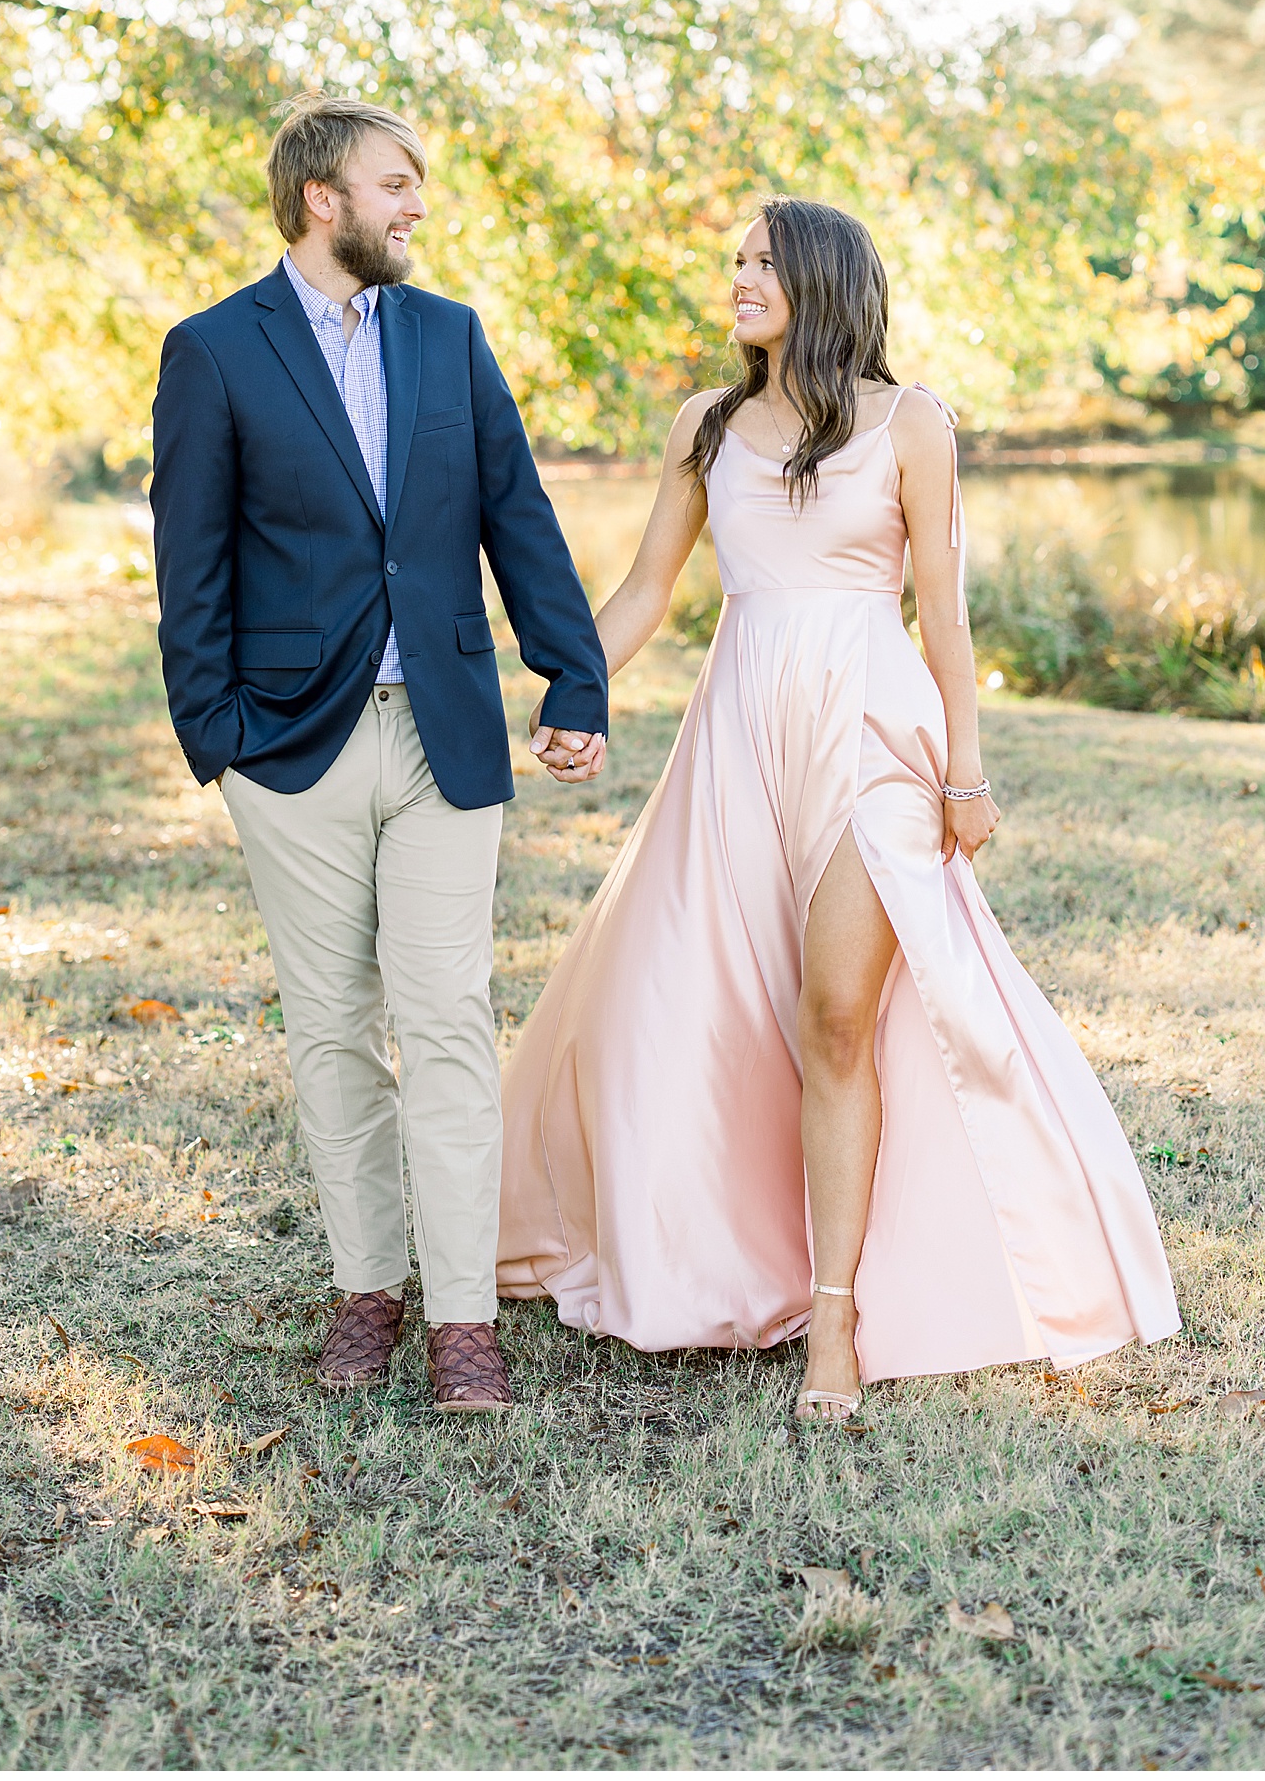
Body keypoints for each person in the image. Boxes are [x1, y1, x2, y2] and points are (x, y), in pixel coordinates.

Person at [497, 197, 1179, 1417]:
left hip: (872, 730)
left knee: (837, 1016)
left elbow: (944, 614)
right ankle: (733, 1254)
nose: (739, 277)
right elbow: (648, 585)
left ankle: (838, 1315)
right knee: (700, 1005)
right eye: (736, 260)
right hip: (739, 734)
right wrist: (575, 689)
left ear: (821, 278)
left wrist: (965, 769)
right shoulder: (705, 426)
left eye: (763, 261)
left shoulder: (912, 422)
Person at [151, 96, 608, 1412]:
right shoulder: (215, 349)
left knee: (448, 1016)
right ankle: (369, 1286)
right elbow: (190, 563)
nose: (417, 203)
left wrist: (571, 669)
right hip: (291, 746)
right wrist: (219, 739)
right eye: (395, 181)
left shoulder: (449, 335)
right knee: (332, 1027)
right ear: (323, 198)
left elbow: (516, 509)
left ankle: (464, 1318)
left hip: (445, 733)